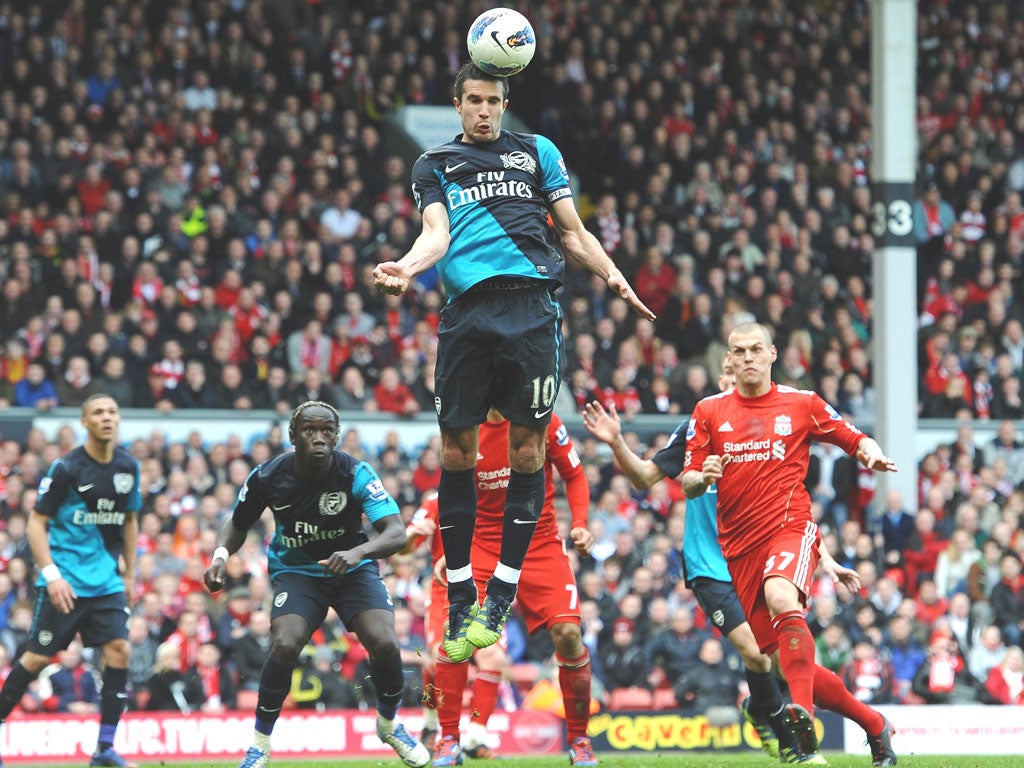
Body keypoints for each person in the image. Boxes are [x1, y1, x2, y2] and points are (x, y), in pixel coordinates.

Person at [373, 62, 655, 663]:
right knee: (456, 450)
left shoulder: (536, 152)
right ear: (457, 104)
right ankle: (461, 592)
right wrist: (407, 267)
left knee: (529, 448)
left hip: (532, 309)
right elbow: (436, 234)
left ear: (504, 102)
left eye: (492, 101)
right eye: (472, 100)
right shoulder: (435, 164)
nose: (483, 110)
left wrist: (613, 275)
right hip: (467, 312)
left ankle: (501, 588)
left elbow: (573, 231)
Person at [680, 322, 898, 765]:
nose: (748, 358)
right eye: (739, 351)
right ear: (729, 358)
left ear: (772, 353)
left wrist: (871, 453)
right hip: (738, 548)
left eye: (755, 350)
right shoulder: (707, 411)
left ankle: (802, 713)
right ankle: (875, 725)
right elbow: (687, 479)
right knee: (786, 665)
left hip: (790, 526)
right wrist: (701, 477)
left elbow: (852, 437)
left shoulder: (801, 403)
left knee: (781, 596)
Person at [585, 357, 798, 760]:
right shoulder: (697, 427)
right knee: (755, 651)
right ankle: (791, 746)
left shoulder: (770, 429)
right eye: (732, 375)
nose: (740, 383)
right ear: (720, 380)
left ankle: (756, 707)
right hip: (709, 565)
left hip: (755, 560)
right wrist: (616, 440)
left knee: (778, 657)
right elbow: (644, 477)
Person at [204, 401, 429, 768]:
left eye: (328, 431)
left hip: (353, 571)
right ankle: (260, 745)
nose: (319, 438)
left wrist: (358, 553)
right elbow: (239, 522)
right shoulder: (268, 476)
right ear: (293, 436)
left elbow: (395, 532)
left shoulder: (355, 473)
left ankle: (389, 724)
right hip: (298, 571)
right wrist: (219, 556)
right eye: (310, 430)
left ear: (337, 436)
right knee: (286, 642)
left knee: (386, 641)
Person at [411, 408, 597, 767]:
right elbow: (453, 497)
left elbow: (574, 474)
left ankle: (579, 741)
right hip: (482, 547)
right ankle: (448, 740)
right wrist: (454, 553)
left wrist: (581, 523)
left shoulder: (543, 419)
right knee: (457, 633)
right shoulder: (464, 424)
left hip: (538, 544)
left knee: (569, 634)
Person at [0, 393, 140, 768]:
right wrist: (51, 575)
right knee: (36, 658)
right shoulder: (67, 468)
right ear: (84, 422)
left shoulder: (128, 467)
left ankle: (104, 750)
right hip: (65, 581)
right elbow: (36, 523)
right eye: (98, 412)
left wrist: (130, 573)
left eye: (112, 411)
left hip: (107, 582)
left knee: (120, 650)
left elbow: (129, 520)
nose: (107, 417)